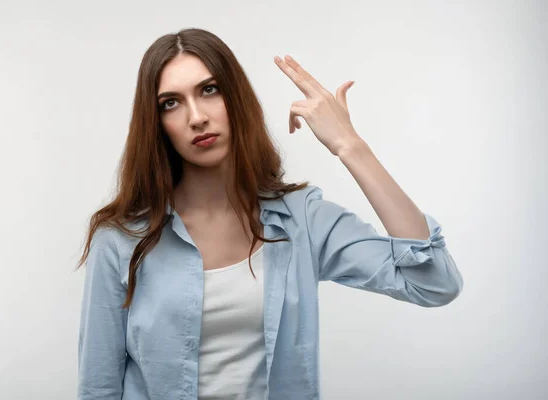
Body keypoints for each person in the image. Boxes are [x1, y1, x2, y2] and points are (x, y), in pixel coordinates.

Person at [76, 27, 464, 400]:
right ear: (156, 123)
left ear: (236, 98)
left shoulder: (303, 220)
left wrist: (350, 146)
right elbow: (98, 388)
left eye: (209, 90)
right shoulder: (121, 239)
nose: (197, 117)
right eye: (171, 103)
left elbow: (433, 283)